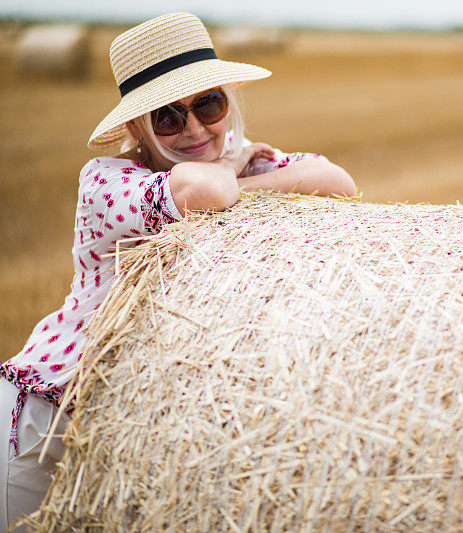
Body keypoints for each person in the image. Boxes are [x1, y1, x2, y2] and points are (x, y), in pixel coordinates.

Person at [0, 12, 356, 528]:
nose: (194, 129)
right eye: (167, 116)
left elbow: (337, 181)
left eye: (208, 105)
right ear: (136, 127)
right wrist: (230, 171)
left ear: (228, 100)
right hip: (46, 424)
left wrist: (239, 181)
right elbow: (205, 193)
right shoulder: (107, 181)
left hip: (137, 427)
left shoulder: (235, 161)